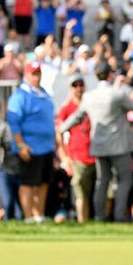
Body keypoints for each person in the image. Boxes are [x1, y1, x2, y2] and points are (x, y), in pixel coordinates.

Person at [59, 63, 133, 222]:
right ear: (110, 76)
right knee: (124, 180)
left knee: (102, 181)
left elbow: (76, 118)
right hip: (119, 146)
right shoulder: (116, 94)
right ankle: (119, 216)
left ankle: (100, 217)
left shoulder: (89, 97)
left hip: (99, 147)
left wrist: (61, 128)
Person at [7, 61, 57, 224]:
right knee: (28, 183)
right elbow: (14, 122)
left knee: (43, 182)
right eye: (33, 74)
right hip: (29, 146)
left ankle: (39, 215)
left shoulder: (44, 93)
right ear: (26, 75)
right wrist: (21, 145)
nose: (36, 77)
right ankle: (28, 216)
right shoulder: (20, 95)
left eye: (38, 73)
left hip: (46, 147)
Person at [54, 74, 96, 222]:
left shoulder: (91, 103)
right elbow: (59, 133)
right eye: (75, 85)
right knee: (80, 192)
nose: (79, 88)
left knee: (94, 192)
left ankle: (94, 220)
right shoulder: (66, 108)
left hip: (95, 153)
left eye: (81, 84)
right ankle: (81, 221)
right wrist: (64, 157)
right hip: (76, 154)